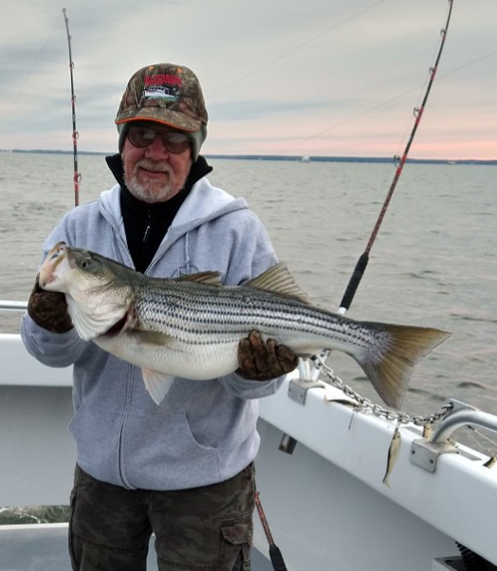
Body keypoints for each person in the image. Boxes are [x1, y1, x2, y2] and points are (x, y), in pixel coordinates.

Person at [22, 63, 298, 570]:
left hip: (205, 484)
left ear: (196, 150)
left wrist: (257, 371)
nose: (155, 153)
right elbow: (47, 354)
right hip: (104, 474)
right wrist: (49, 320)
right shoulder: (79, 230)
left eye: (174, 141)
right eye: (142, 135)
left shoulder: (238, 232)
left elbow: (256, 390)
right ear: (122, 142)